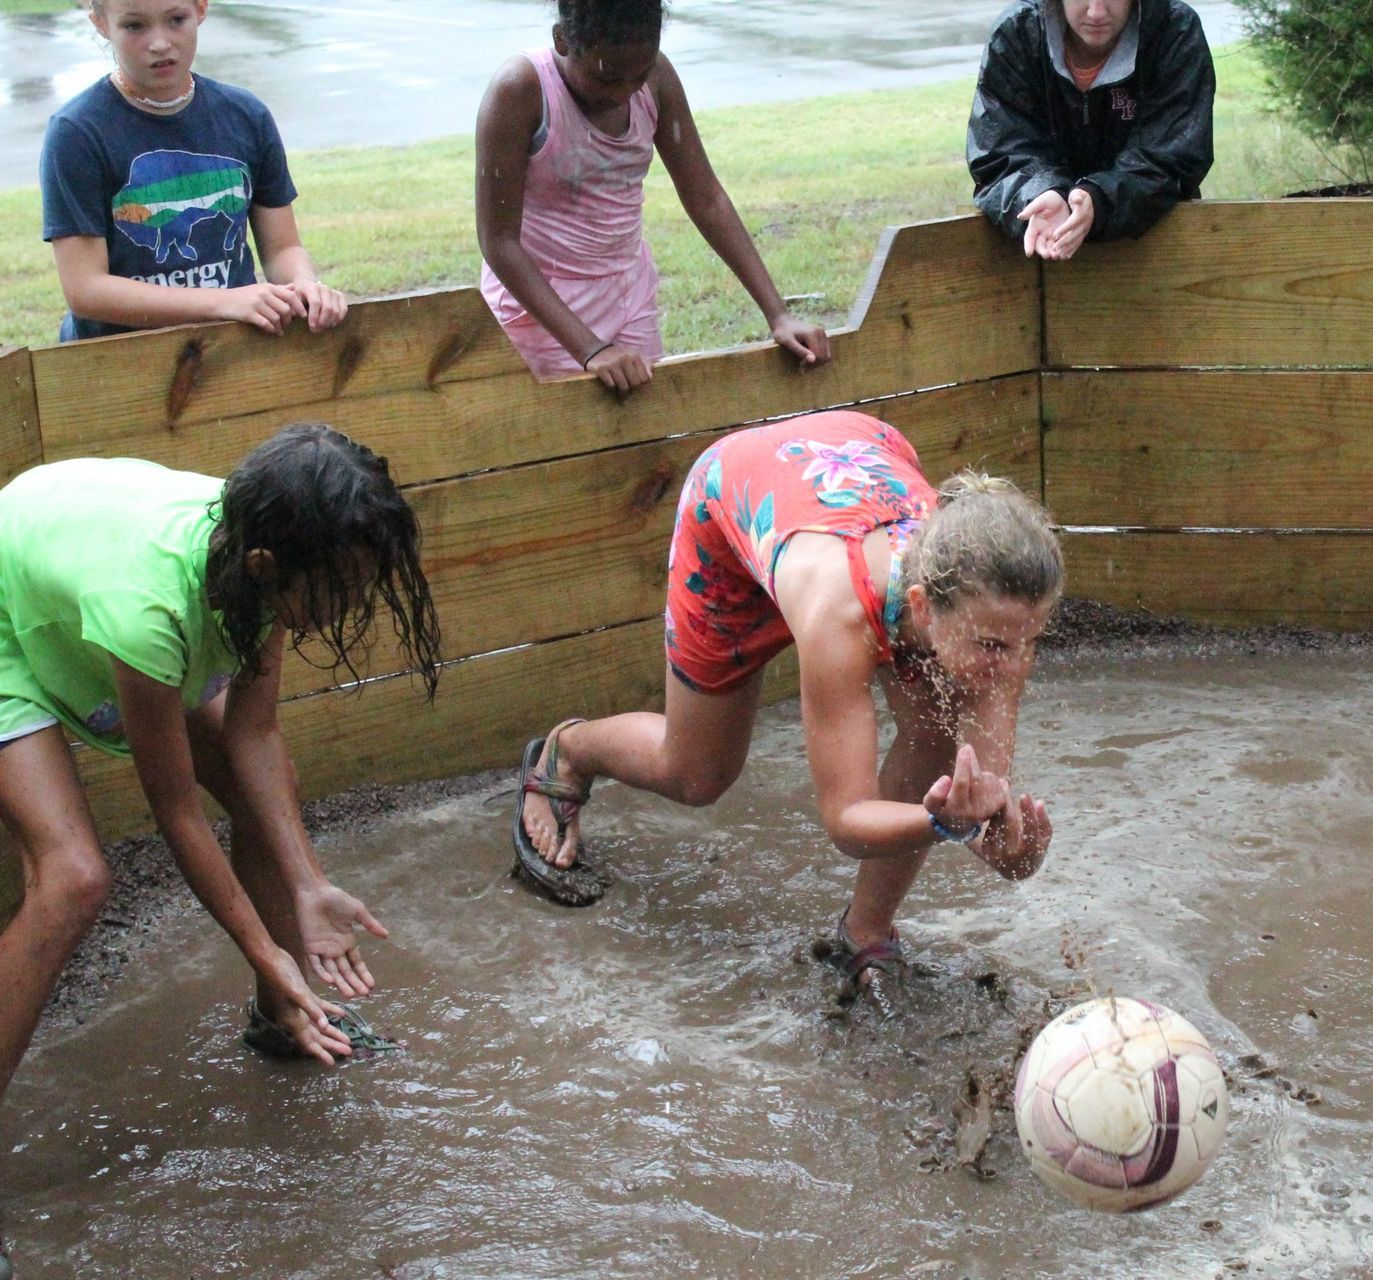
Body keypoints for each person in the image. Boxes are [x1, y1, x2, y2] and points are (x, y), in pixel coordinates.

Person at [511, 411, 1058, 1001]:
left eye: (1031, 643)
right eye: (996, 648)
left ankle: (865, 932)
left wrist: (1008, 847)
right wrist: (944, 824)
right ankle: (566, 752)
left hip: (854, 466)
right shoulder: (840, 616)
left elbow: (986, 800)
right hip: (737, 496)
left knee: (933, 734)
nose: (1013, 668)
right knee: (697, 774)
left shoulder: (996, 609)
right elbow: (848, 822)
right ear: (924, 608)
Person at [0, 423, 442, 1104]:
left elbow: (254, 737)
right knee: (73, 881)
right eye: (340, 587)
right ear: (266, 566)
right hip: (10, 609)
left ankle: (284, 1014)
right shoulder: (148, 611)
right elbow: (177, 814)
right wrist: (264, 947)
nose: (351, 604)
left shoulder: (270, 541)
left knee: (269, 792)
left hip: (66, 553)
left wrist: (309, 884)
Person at [476, 0, 832, 389]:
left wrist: (778, 314)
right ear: (562, 40)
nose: (624, 93)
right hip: (542, 316)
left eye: (637, 75)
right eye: (607, 78)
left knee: (645, 438)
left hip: (628, 301)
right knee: (563, 444)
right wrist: (590, 349)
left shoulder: (657, 79)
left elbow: (706, 197)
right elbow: (499, 242)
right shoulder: (521, 91)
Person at [40, 0, 348, 342]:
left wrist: (304, 284)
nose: (159, 43)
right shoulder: (76, 133)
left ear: (200, 9)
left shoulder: (246, 116)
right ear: (100, 22)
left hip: (231, 352)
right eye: (134, 26)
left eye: (176, 19)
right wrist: (222, 302)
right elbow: (86, 289)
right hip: (115, 365)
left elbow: (282, 249)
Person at [967, 0, 1214, 261]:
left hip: (1156, 254)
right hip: (1038, 261)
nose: (1096, 12)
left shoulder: (1174, 31)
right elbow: (997, 155)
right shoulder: (1017, 33)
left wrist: (1098, 200)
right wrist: (1039, 192)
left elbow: (1174, 159)